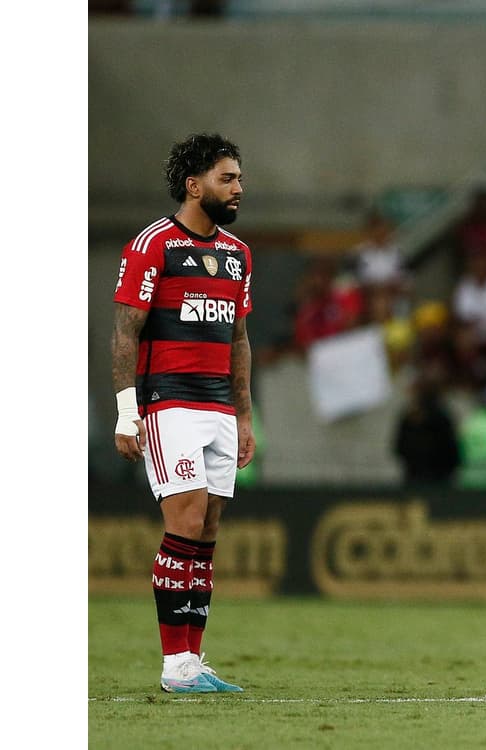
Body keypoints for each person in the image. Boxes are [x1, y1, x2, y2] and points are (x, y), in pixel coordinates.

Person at [111, 132, 254, 693]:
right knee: (187, 518)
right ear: (194, 185)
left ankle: (193, 661)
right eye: (228, 178)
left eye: (240, 178)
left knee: (208, 531)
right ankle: (174, 666)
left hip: (218, 404)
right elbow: (127, 331)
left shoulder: (237, 255)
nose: (239, 188)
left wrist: (243, 415)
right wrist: (128, 413)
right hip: (168, 401)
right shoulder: (155, 244)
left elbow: (239, 338)